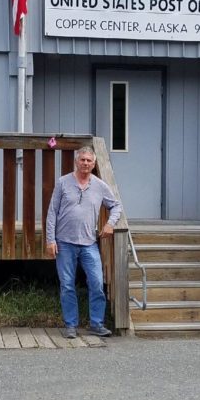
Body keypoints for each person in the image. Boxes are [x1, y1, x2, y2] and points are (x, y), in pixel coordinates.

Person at [45, 145, 123, 339]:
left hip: (89, 243)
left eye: (89, 160)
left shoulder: (99, 185)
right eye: (83, 160)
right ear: (76, 161)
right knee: (67, 285)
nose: (86, 163)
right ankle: (71, 325)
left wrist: (110, 224)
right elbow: (52, 212)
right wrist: (50, 240)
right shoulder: (63, 182)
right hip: (64, 243)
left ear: (94, 164)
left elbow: (116, 205)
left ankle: (96, 323)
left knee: (97, 283)